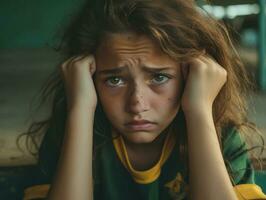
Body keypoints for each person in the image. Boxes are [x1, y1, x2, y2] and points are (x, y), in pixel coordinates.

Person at [21, 0, 266, 199]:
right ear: (89, 78)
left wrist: (199, 109)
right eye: (115, 80)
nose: (137, 104)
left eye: (159, 77)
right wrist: (81, 108)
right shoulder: (72, 131)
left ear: (191, 75)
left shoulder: (220, 134)